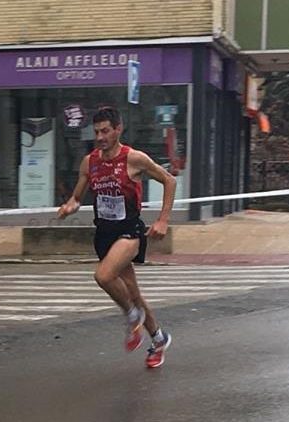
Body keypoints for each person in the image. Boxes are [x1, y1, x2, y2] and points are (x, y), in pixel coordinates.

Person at [57, 106, 177, 368]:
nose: (100, 137)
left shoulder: (134, 158)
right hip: (104, 234)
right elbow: (77, 197)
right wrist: (69, 206)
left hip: (129, 231)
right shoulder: (90, 162)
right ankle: (159, 339)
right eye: (97, 132)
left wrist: (163, 220)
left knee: (103, 276)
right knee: (133, 292)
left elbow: (169, 180)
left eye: (105, 131)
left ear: (118, 130)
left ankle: (132, 316)